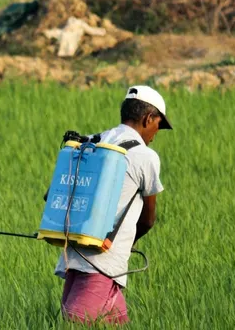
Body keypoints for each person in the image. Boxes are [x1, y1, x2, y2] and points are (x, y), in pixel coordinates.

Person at [49, 85, 172, 326]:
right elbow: (148, 220)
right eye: (158, 125)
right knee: (76, 321)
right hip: (103, 262)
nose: (156, 134)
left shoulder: (94, 141)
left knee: (114, 322)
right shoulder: (145, 156)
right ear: (148, 118)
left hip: (74, 252)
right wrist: (129, 243)